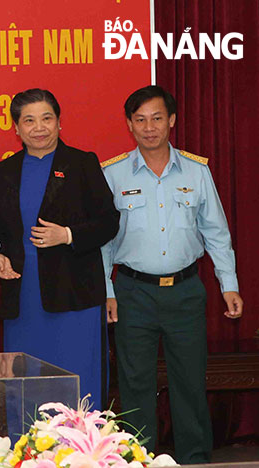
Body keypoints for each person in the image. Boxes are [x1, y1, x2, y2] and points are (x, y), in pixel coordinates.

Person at [101, 85, 243, 464]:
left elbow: (216, 232)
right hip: (133, 291)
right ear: (130, 125)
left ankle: (195, 457)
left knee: (190, 381)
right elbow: (103, 242)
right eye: (141, 120)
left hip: (185, 290)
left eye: (157, 118)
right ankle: (138, 459)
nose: (150, 128)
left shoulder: (197, 171)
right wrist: (107, 291)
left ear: (172, 121)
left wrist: (228, 284)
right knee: (135, 385)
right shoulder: (112, 174)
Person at [0, 88, 119, 410]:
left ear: (60, 123)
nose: (39, 127)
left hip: (74, 294)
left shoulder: (81, 163)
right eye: (29, 120)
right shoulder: (5, 171)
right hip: (23, 295)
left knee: (76, 379)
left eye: (47, 118)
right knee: (26, 385)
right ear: (16, 129)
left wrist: (67, 234)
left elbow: (108, 222)